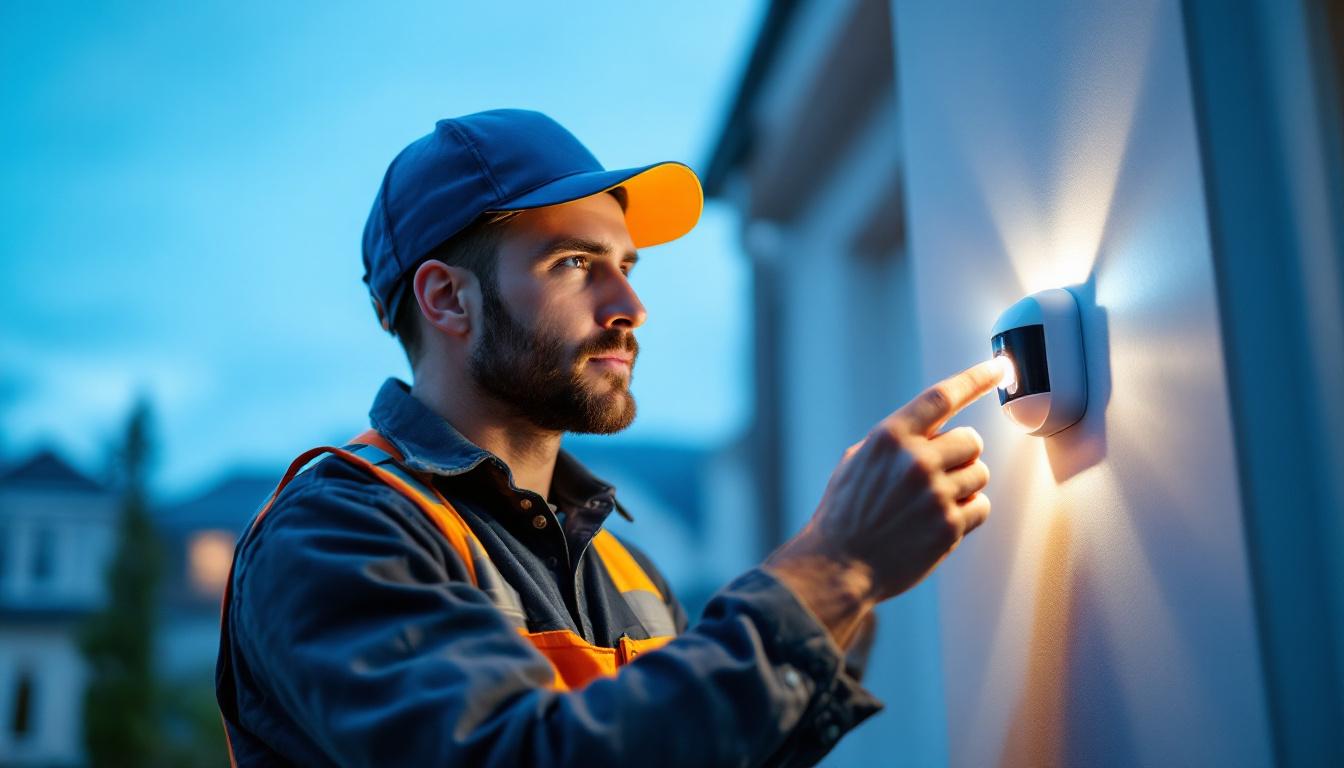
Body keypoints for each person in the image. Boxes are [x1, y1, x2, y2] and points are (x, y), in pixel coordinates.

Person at [215, 109, 1000, 767]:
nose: (630, 303)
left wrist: (849, 591)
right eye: (574, 264)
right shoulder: (336, 534)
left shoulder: (627, 567)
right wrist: (834, 567)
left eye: (626, 265)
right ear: (448, 299)